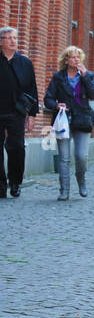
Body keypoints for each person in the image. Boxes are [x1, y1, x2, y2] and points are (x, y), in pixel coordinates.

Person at [43, 45, 94, 200]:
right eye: (73, 57)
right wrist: (56, 105)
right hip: (63, 121)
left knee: (81, 156)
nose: (76, 60)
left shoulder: (87, 76)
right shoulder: (58, 77)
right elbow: (47, 98)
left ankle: (81, 180)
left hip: (82, 119)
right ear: (66, 60)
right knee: (64, 158)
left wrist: (86, 76)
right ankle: (64, 190)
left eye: (78, 57)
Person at [0, 25, 39, 197]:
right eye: (9, 38)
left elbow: (32, 90)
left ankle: (15, 181)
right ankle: (1, 186)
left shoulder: (25, 63)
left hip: (17, 112)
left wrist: (32, 115)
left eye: (15, 38)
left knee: (16, 147)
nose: (13, 41)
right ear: (1, 41)